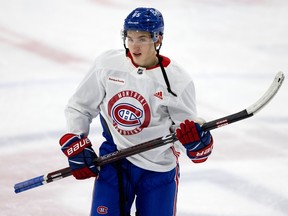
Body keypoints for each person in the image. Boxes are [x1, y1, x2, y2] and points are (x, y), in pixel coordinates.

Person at [59, 7, 214, 216]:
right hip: (114, 161)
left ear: (158, 39)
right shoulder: (107, 65)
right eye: (129, 38)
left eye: (142, 38)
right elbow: (79, 106)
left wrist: (196, 143)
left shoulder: (178, 81)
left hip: (158, 169)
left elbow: (183, 134)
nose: (134, 46)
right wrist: (76, 140)